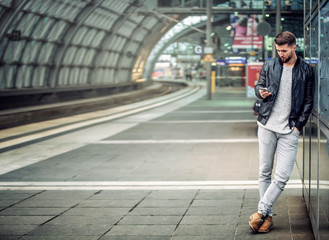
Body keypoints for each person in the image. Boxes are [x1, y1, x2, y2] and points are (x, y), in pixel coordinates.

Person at [249, 31, 314, 233]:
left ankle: (260, 211)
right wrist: (260, 91)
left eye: (284, 50)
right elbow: (259, 84)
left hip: (289, 130)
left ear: (294, 47)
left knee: (283, 176)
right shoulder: (270, 65)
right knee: (264, 171)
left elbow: (308, 101)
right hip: (267, 125)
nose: (281, 54)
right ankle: (266, 218)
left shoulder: (306, 70)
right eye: (278, 50)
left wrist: (298, 126)